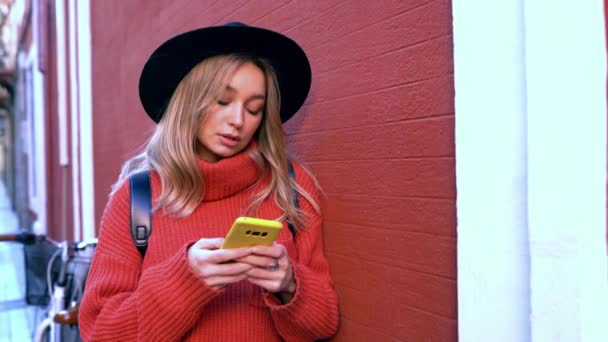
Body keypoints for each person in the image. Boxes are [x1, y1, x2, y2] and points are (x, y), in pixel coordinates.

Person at [79, 22, 339, 341]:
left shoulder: (290, 186)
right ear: (190, 100)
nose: (238, 121)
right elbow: (100, 333)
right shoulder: (136, 200)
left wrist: (290, 284)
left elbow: (324, 324)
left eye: (254, 108)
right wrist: (185, 280)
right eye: (223, 101)